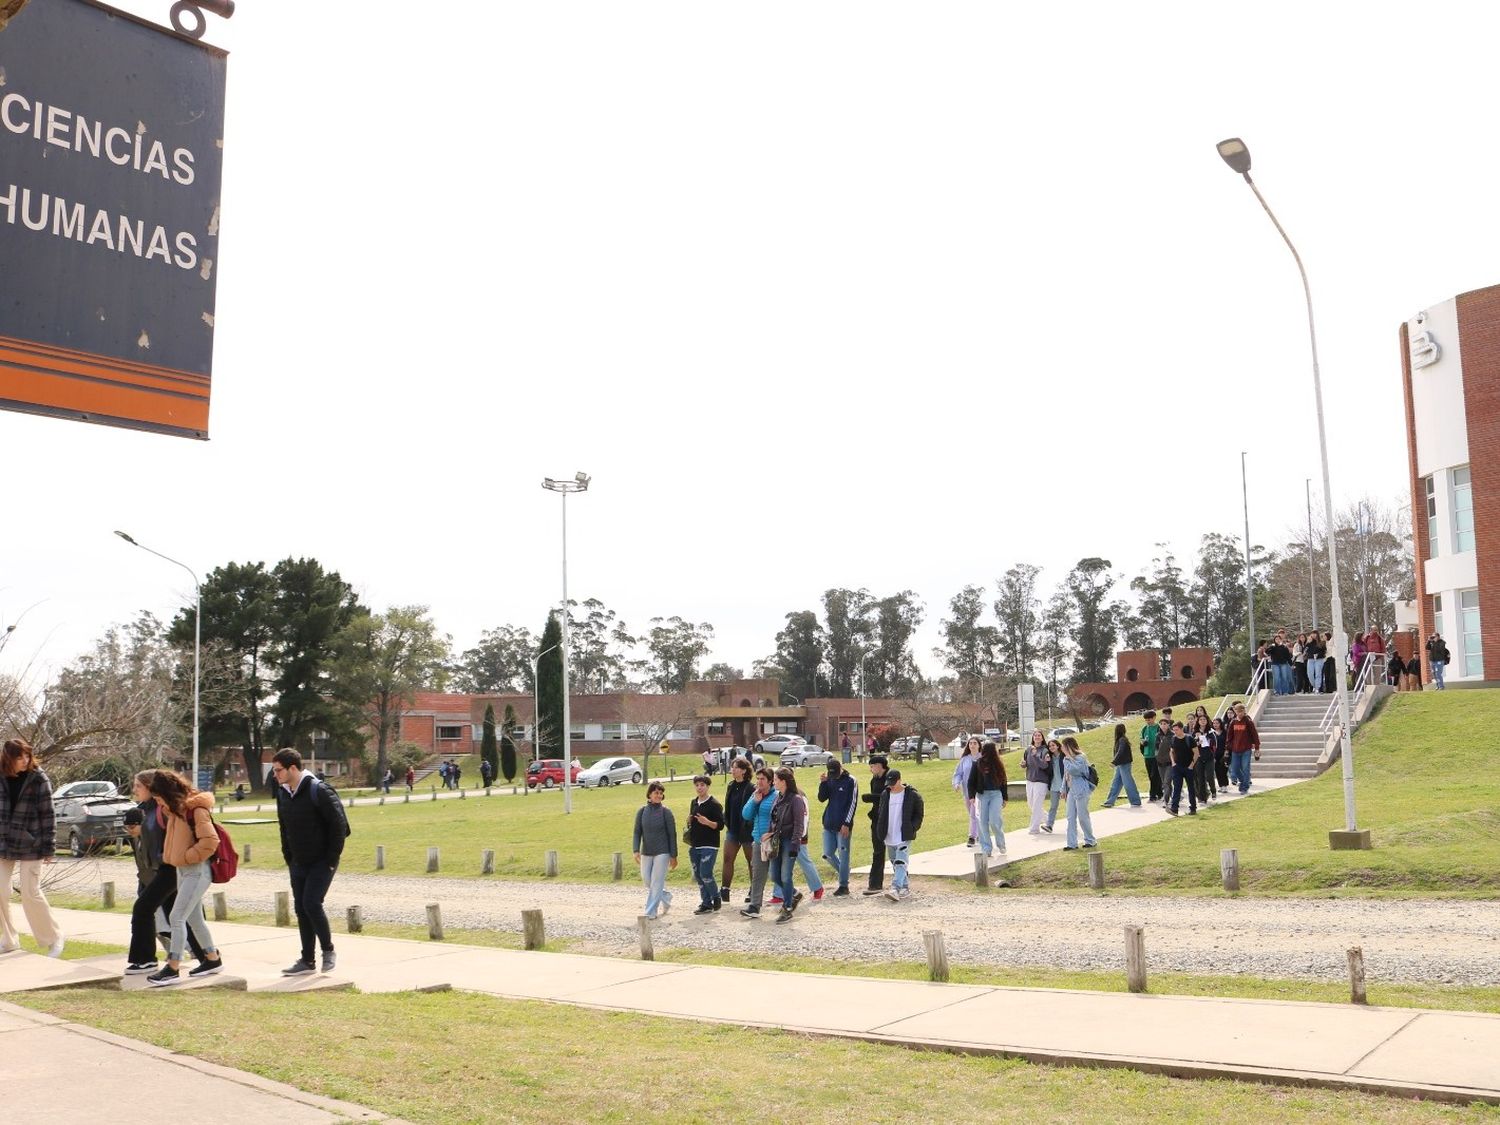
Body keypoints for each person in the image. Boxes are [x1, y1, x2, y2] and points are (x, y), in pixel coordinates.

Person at [122, 771, 206, 975]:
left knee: (143, 909)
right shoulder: (144, 810)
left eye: (138, 786)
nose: (135, 790)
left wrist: (179, 857)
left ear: (151, 788)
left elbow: (180, 837)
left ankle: (145, 960)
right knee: (178, 915)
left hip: (170, 867)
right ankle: (207, 956)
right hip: (159, 868)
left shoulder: (164, 810)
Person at [272, 748, 347, 975]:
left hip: (322, 861)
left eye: (278, 770)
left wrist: (331, 860)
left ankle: (328, 950)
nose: (275, 775)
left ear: (293, 768)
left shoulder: (319, 790)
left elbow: (340, 826)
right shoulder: (283, 792)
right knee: (301, 908)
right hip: (298, 861)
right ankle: (307, 960)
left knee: (312, 904)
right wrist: (289, 856)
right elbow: (283, 827)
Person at [145, 770, 223, 986]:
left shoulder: (194, 809)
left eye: (159, 797)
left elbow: (210, 841)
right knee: (194, 919)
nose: (157, 802)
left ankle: (173, 966)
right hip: (184, 871)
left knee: (176, 917)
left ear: (167, 793)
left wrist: (187, 857)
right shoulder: (175, 810)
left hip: (196, 871)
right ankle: (212, 959)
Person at [0, 738, 63, 958]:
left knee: (30, 892)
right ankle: (9, 940)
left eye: (27, 755)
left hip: (32, 843)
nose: (25, 760)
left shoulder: (38, 778)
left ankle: (53, 938)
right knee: (0, 891)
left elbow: (48, 813)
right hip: (4, 842)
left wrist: (49, 847)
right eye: (20, 757)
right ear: (8, 759)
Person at [874, 769, 924, 901]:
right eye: (889, 783)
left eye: (893, 782)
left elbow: (919, 814)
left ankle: (895, 888)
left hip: (903, 835)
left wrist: (913, 827)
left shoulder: (912, 795)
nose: (891, 785)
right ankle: (905, 887)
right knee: (895, 862)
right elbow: (881, 812)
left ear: (899, 780)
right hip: (889, 835)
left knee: (901, 862)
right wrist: (880, 830)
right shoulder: (886, 794)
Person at [632, 781, 677, 920]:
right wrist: (635, 850)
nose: (659, 795)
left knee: (656, 882)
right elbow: (637, 832)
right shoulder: (642, 811)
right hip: (646, 851)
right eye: (656, 792)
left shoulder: (666, 812)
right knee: (647, 880)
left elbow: (672, 834)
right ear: (649, 794)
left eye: (661, 793)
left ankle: (650, 911)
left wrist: (673, 856)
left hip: (662, 852)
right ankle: (666, 896)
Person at [769, 768, 809, 924]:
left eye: (776, 779)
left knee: (786, 875)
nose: (774, 782)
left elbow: (799, 825)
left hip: (789, 842)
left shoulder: (796, 800)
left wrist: (794, 845)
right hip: (777, 841)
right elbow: (773, 819)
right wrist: (769, 834)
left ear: (783, 781)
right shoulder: (777, 798)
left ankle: (788, 908)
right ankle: (794, 894)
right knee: (775, 875)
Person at [817, 757, 859, 896]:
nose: (833, 776)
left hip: (843, 825)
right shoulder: (830, 779)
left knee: (843, 854)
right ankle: (845, 870)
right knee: (828, 853)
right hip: (829, 823)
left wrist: (846, 823)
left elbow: (852, 803)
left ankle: (843, 885)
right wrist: (823, 783)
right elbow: (822, 798)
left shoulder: (851, 780)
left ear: (841, 767)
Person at [740, 767, 777, 917]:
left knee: (776, 874)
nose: (759, 782)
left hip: (773, 841)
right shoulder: (756, 795)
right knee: (757, 875)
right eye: (758, 778)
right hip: (758, 840)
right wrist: (755, 801)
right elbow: (746, 815)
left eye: (762, 779)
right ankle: (755, 906)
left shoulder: (776, 795)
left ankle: (792, 894)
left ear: (770, 781)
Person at [686, 776, 724, 915]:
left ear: (708, 786)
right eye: (697, 785)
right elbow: (691, 823)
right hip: (695, 844)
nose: (699, 787)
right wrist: (689, 821)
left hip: (710, 844)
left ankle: (716, 896)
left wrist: (707, 822)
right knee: (698, 875)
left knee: (705, 873)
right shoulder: (694, 803)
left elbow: (720, 825)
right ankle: (706, 903)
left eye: (702, 785)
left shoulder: (714, 804)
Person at [720, 757, 755, 903]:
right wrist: (726, 821)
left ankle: (754, 891)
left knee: (751, 861)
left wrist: (748, 826)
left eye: (736, 768)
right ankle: (725, 889)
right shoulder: (730, 786)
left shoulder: (751, 788)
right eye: (732, 767)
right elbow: (727, 806)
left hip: (747, 831)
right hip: (733, 829)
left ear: (744, 770)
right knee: (728, 859)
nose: (733, 770)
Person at [967, 741, 1008, 857]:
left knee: (995, 820)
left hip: (996, 794)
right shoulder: (977, 764)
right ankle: (986, 848)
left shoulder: (999, 764)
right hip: (982, 795)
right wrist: (971, 797)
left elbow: (1004, 781)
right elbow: (971, 782)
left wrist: (1005, 797)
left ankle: (1001, 844)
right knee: (982, 822)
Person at [1059, 737, 1097, 849]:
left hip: (1081, 790)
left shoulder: (1081, 757)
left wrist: (1067, 760)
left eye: (1063, 746)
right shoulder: (1066, 759)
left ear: (1068, 747)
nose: (1061, 748)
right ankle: (1071, 844)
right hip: (1071, 790)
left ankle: (1090, 840)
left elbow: (1075, 771)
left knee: (1082, 816)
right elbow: (1065, 776)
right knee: (1070, 817)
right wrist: (1063, 789)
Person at [859, 755, 890, 896]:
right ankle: (875, 884)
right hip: (877, 818)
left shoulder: (890, 777)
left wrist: (871, 797)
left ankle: (902, 883)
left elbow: (888, 796)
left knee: (896, 852)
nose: (871, 769)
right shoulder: (874, 780)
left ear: (880, 765)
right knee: (877, 850)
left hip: (890, 818)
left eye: (873, 766)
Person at [1100, 722, 1141, 808]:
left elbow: (1120, 752)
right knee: (1116, 783)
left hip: (1124, 764)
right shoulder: (1122, 739)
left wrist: (1114, 762)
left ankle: (1135, 801)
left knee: (1128, 782)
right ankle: (1109, 802)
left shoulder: (1122, 740)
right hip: (1120, 764)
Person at [1224, 702, 1261, 795]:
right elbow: (1229, 737)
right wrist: (1228, 748)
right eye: (1238, 711)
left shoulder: (1248, 721)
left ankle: (1244, 787)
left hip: (1246, 749)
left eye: (1242, 711)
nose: (1240, 713)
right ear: (1235, 711)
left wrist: (1257, 747)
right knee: (1235, 769)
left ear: (1244, 711)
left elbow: (1254, 734)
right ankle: (1243, 781)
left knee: (1245, 768)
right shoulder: (1233, 722)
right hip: (1235, 750)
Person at [1164, 722, 1198, 817]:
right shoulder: (1174, 739)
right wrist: (1173, 763)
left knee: (1191, 788)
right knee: (1177, 788)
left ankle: (1193, 808)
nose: (1175, 732)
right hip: (1177, 767)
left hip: (1188, 768)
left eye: (1177, 730)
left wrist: (1191, 765)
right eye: (1174, 730)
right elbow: (1171, 751)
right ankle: (1174, 809)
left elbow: (1196, 753)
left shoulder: (1189, 739)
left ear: (1181, 729)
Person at [952, 737, 981, 847]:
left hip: (979, 792)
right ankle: (979, 833)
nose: (972, 745)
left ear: (979, 745)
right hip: (967, 791)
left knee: (974, 814)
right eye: (970, 743)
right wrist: (956, 783)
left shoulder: (982, 758)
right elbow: (958, 773)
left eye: (975, 743)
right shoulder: (965, 759)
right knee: (972, 814)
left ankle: (972, 837)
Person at [1023, 730, 1051, 833]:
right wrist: (1023, 764)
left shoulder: (1045, 751)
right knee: (1031, 804)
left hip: (1041, 781)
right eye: (1035, 735)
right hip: (1030, 780)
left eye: (1039, 735)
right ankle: (1049, 820)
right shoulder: (1028, 749)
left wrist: (1035, 756)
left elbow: (1045, 765)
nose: (1037, 737)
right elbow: (1026, 762)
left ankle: (1034, 828)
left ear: (1042, 738)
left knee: (1037, 805)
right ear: (1033, 738)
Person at [1041, 738, 1066, 834]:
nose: (1051, 747)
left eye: (1053, 745)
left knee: (1070, 806)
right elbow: (1047, 772)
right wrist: (1046, 762)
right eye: (1050, 746)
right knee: (1053, 806)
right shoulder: (1049, 758)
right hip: (1054, 786)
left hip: (1066, 786)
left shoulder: (1064, 756)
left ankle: (1073, 824)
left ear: (1058, 746)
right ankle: (1049, 826)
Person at [1192, 715, 1217, 804]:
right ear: (1198, 721)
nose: (1202, 721)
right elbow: (1192, 745)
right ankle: (1202, 797)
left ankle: (1213, 790)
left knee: (1210, 776)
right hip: (1199, 757)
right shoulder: (1195, 732)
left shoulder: (1211, 732)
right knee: (1200, 778)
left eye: (1204, 719)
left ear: (1207, 721)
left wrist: (1207, 739)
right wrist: (1197, 741)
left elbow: (1214, 745)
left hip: (1209, 757)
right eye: (1201, 720)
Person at [1139, 710, 1162, 803]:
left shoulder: (1158, 728)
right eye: (1146, 720)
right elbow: (1141, 739)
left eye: (1149, 719)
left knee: (1154, 775)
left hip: (1156, 755)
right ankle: (1159, 793)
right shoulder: (1144, 728)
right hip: (1147, 755)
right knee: (1151, 775)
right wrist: (1143, 741)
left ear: (1154, 717)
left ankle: (1152, 795)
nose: (1148, 721)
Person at [1210, 716, 1230, 790]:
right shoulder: (1211, 733)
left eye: (1217, 723)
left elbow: (1228, 742)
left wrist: (1227, 751)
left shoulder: (1225, 732)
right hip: (1214, 754)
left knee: (1223, 769)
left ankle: (1225, 785)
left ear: (1220, 724)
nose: (1215, 725)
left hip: (1224, 754)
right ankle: (1221, 785)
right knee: (1217, 770)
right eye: (1214, 723)